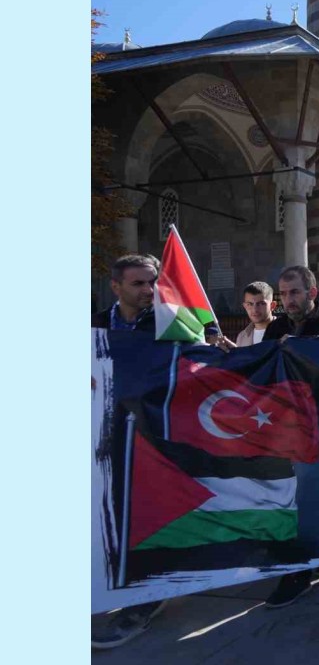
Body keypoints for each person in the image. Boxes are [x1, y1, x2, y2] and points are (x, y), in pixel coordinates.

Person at [261, 265, 319, 607]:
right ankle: (297, 569)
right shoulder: (276, 329)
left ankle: (309, 564)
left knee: (316, 500)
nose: (287, 300)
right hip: (285, 430)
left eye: (294, 292)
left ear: (312, 293)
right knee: (292, 501)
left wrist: (304, 352)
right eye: (282, 293)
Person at [92, 255, 169, 650]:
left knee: (145, 515)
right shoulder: (96, 326)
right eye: (137, 283)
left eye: (151, 282)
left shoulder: (168, 323)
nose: (147, 291)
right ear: (116, 287)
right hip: (104, 437)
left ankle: (146, 599)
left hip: (152, 437)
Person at [235, 281, 276, 346]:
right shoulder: (242, 337)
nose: (255, 310)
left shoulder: (286, 332)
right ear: (245, 306)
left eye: (260, 304)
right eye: (250, 304)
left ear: (272, 305)